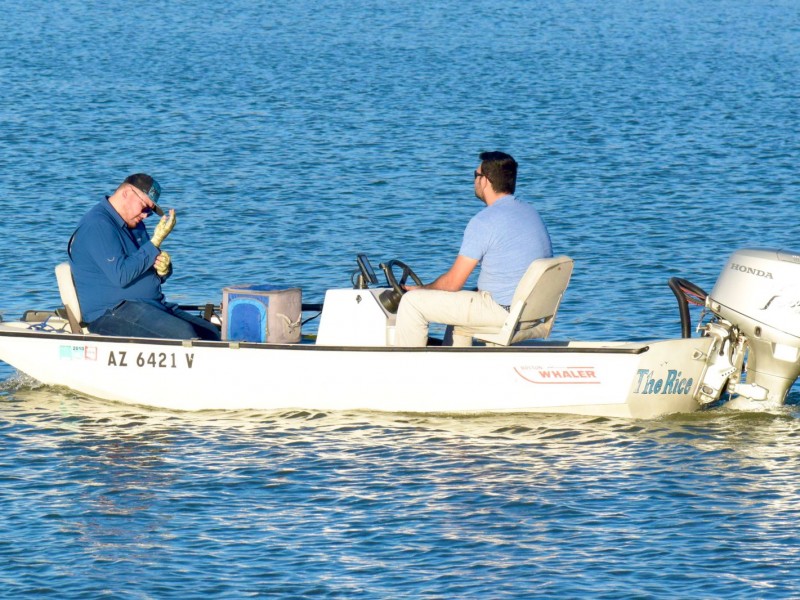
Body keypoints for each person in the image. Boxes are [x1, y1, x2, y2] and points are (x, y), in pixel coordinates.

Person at [394, 151, 552, 347]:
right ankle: (454, 366)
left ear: (485, 180)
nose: (474, 181)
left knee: (412, 303)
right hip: (530, 311)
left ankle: (409, 371)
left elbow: (453, 283)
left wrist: (420, 290)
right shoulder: (531, 213)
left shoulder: (484, 221)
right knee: (462, 302)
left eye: (475, 175)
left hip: (502, 311)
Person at [68, 173, 221, 340]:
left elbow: (143, 263)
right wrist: (155, 243)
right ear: (126, 193)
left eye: (150, 211)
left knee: (213, 334)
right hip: (111, 312)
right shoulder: (98, 225)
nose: (146, 215)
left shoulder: (135, 224)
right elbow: (121, 275)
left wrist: (163, 271)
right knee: (185, 336)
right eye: (145, 207)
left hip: (150, 305)